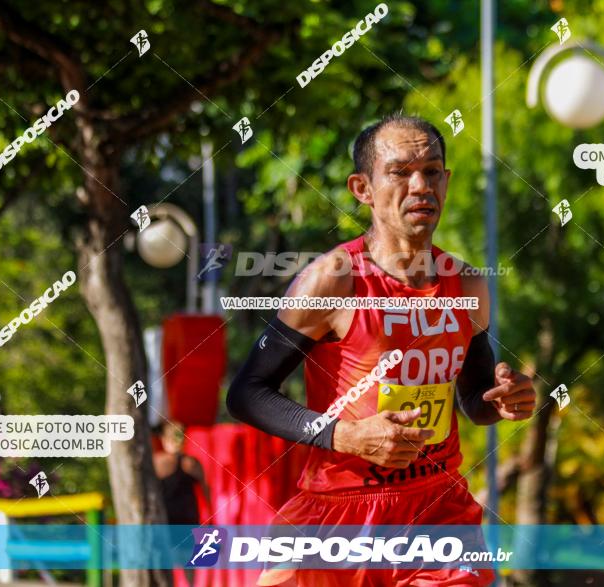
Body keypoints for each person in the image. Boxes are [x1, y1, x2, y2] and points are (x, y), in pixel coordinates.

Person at [226, 113, 536, 586]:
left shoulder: (468, 285)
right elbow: (247, 393)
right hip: (339, 515)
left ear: (447, 182)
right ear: (362, 189)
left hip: (438, 512)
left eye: (432, 171)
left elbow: (474, 400)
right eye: (400, 172)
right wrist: (345, 436)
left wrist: (505, 400)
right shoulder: (333, 279)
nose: (420, 186)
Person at [153, 421, 210, 526]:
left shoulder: (156, 462)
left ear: (165, 439)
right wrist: (211, 520)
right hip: (188, 519)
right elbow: (206, 492)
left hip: (164, 517)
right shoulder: (193, 463)